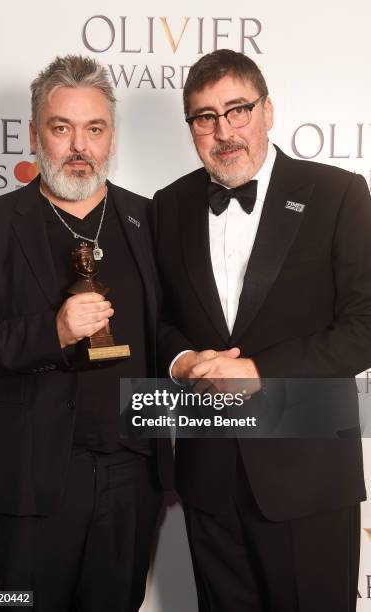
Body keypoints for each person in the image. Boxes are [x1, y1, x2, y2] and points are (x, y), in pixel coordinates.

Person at [153, 49, 371, 611]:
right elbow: (159, 319)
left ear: (268, 110)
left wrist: (257, 371)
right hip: (209, 480)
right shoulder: (168, 205)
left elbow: (365, 326)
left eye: (238, 110)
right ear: (191, 127)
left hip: (309, 480)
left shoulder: (339, 194)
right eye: (205, 117)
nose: (223, 131)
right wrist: (180, 363)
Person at [0, 54, 173, 612]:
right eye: (62, 129)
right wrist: (52, 330)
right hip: (31, 485)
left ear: (110, 137)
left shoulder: (150, 221)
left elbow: (173, 332)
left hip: (134, 477)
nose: (80, 146)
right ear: (35, 134)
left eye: (94, 129)